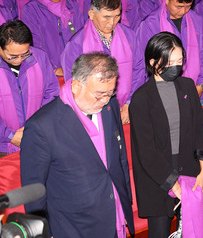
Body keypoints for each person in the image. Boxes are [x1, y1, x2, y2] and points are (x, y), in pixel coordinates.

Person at [20, 52, 134, 237]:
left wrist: (125, 196)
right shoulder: (42, 127)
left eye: (110, 93)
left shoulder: (109, 106)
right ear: (76, 86)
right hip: (73, 226)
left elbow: (119, 156)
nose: (106, 100)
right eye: (99, 94)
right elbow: (33, 189)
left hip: (113, 215)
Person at [129, 31, 203, 237]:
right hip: (157, 176)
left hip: (190, 169)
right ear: (154, 62)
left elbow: (199, 128)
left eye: (180, 60)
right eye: (170, 61)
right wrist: (173, 183)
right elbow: (146, 152)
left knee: (192, 230)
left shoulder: (188, 86)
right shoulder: (141, 99)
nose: (176, 66)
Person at [61, 0, 143, 124]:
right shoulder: (77, 44)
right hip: (92, 109)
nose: (112, 22)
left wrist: (129, 103)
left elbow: (139, 70)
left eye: (117, 16)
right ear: (92, 14)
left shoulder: (129, 36)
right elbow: (72, 83)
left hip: (124, 105)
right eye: (106, 17)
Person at [137, 0, 203, 97]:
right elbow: (144, 64)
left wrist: (201, 85)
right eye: (179, 7)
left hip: (195, 88)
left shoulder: (197, 20)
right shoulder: (150, 24)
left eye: (188, 6)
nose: (183, 12)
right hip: (162, 92)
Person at [0, 20, 58, 155]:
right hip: (3, 145)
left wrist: (36, 127)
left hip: (37, 137)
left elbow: (51, 93)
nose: (19, 60)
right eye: (12, 56)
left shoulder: (39, 57)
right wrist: (10, 136)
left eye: (24, 54)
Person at [21, 0, 85, 75]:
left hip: (75, 65)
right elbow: (35, 43)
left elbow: (81, 35)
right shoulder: (31, 9)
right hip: (49, 68)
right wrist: (51, 68)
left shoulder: (71, 4)